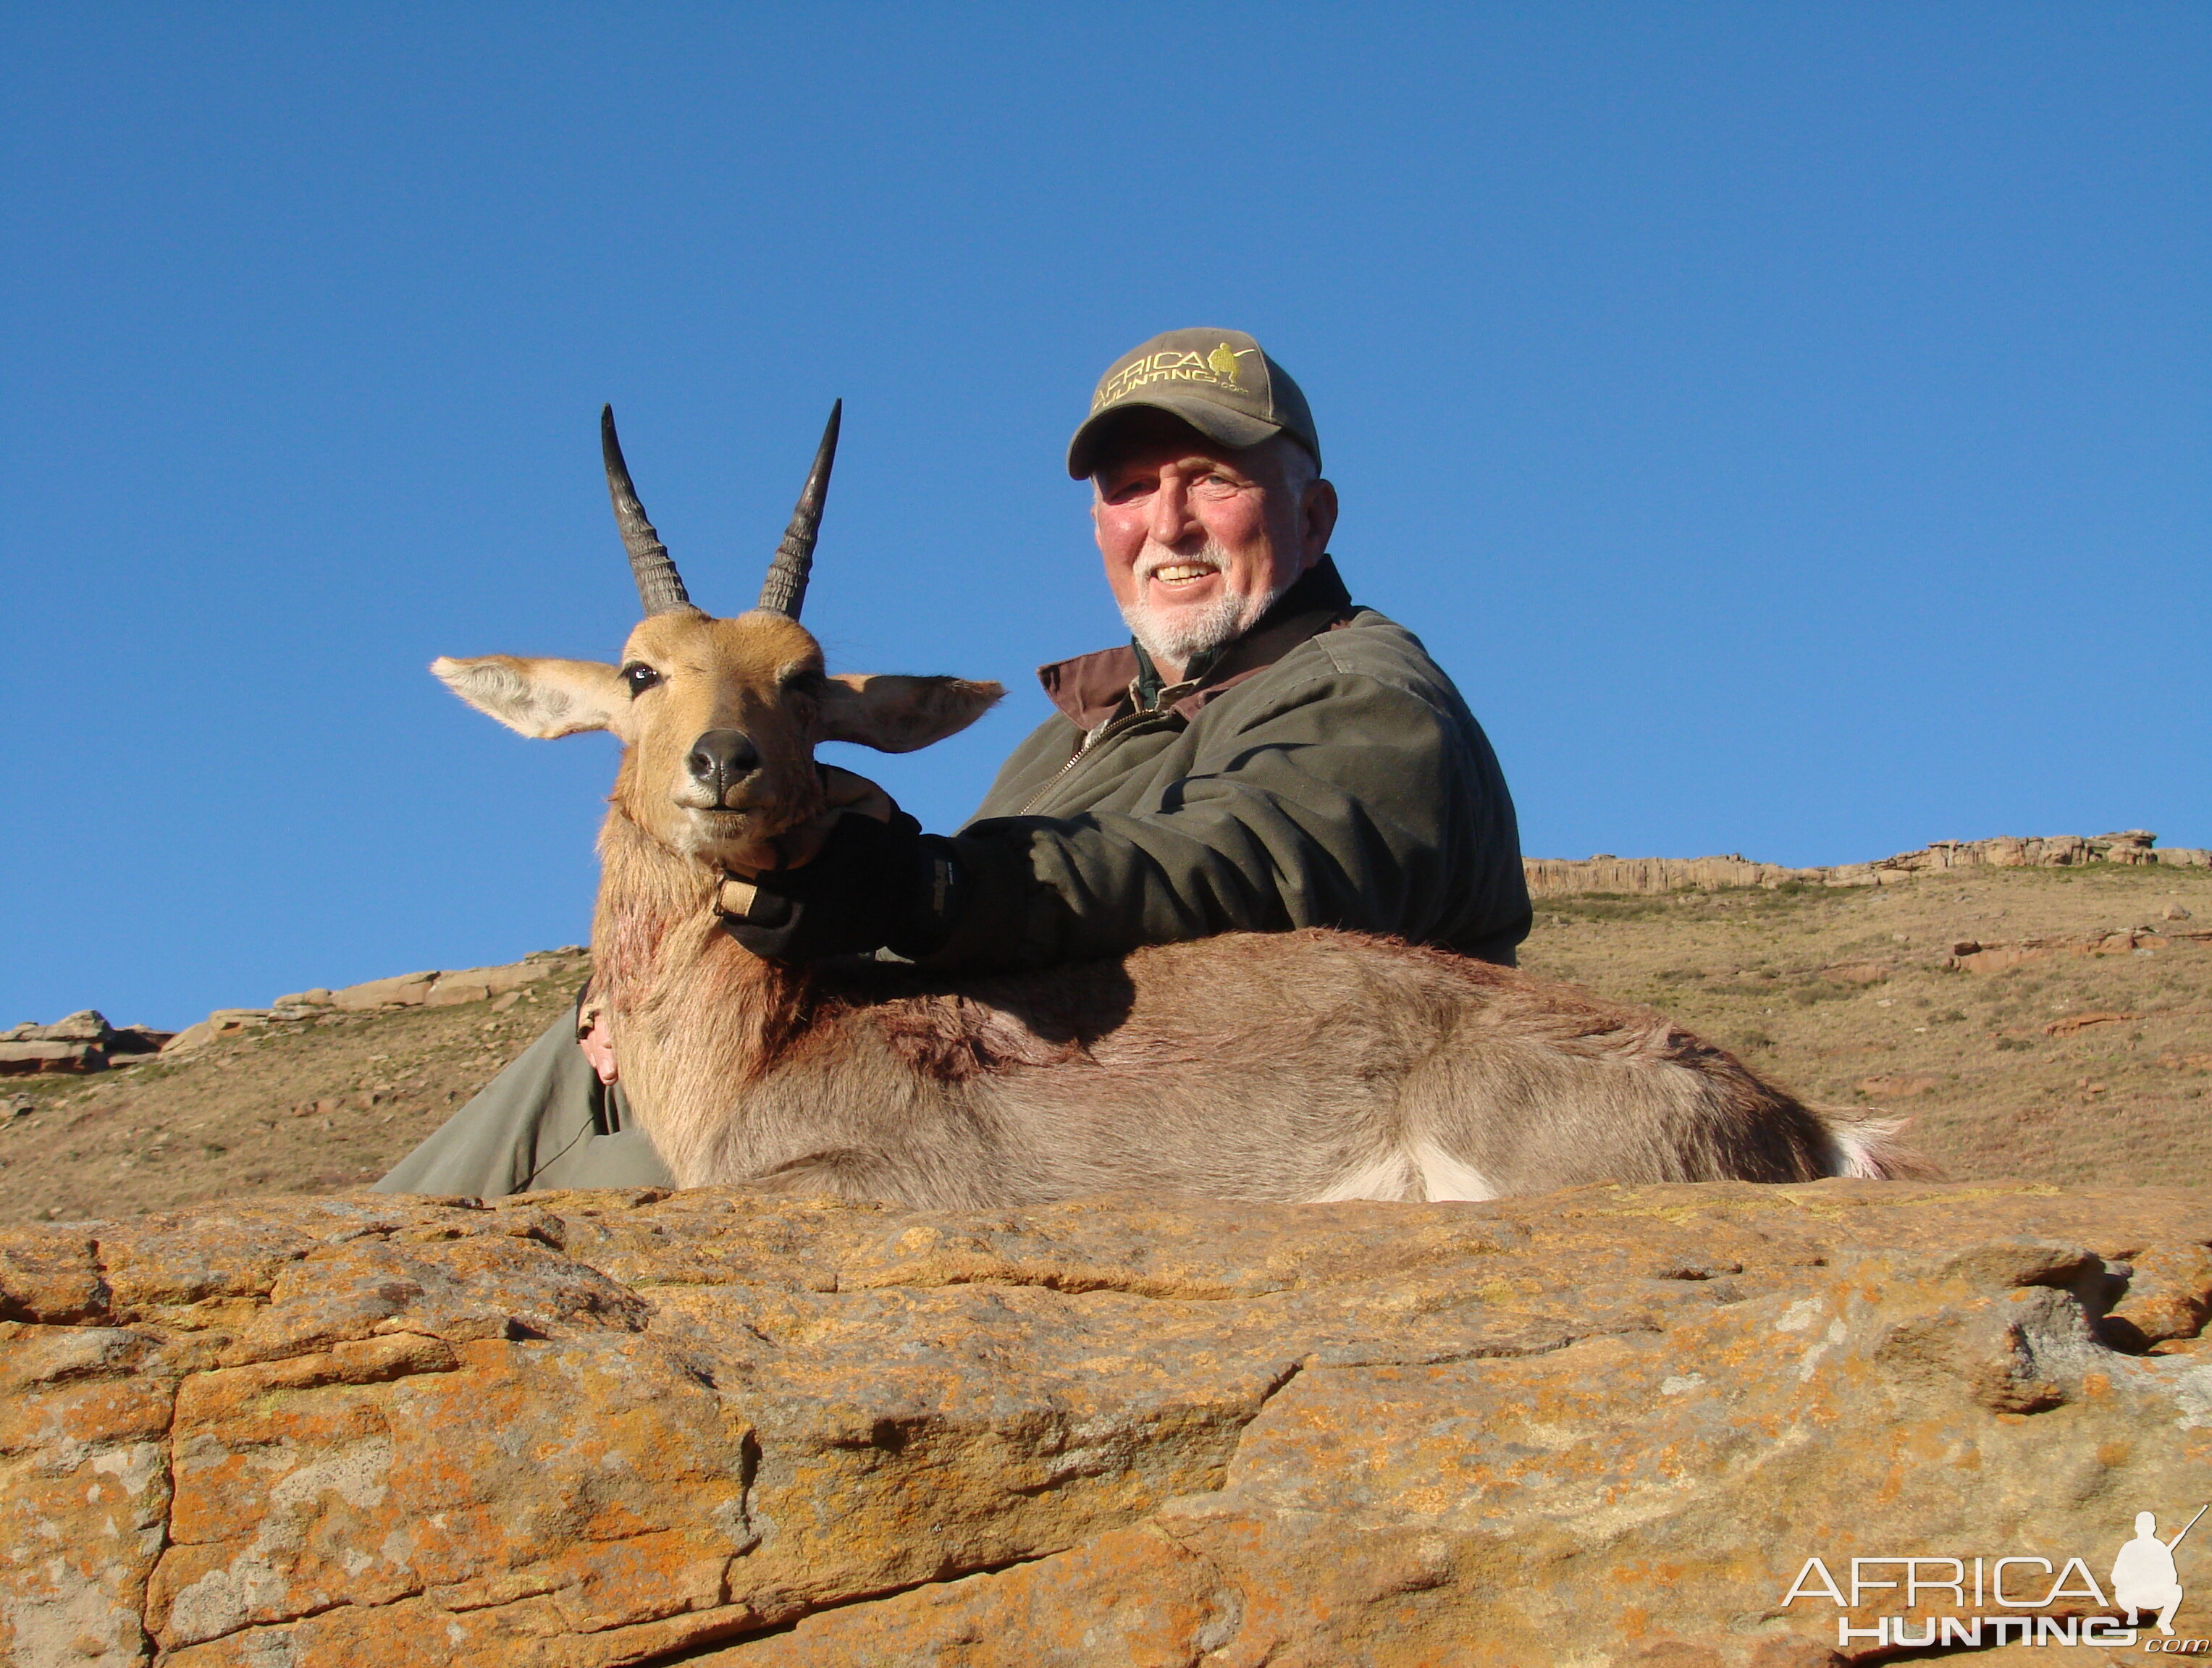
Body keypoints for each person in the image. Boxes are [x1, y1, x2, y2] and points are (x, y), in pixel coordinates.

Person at [377, 327, 1531, 1197]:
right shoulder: (1069, 734)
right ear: (1099, 526)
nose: (1167, 523)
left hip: (1155, 1117)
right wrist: (669, 979)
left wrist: (927, 885)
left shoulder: (1369, 692)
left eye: (1214, 480)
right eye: (1132, 488)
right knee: (581, 1060)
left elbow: (1236, 870)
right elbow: (941, 944)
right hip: (966, 1103)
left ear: (1315, 516)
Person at [2111, 1510, 2187, 1635]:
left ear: (2154, 1528)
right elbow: (2116, 1575)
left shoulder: (2160, 1548)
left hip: (2154, 1593)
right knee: (2121, 1591)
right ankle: (2132, 1613)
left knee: (2177, 1591)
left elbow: (2172, 1577)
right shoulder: (2129, 1547)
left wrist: (2156, 1576)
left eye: (2148, 1526)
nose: (2144, 1529)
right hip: (2133, 1593)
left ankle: (2164, 1622)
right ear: (2136, 1528)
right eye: (2141, 1526)